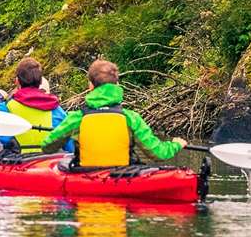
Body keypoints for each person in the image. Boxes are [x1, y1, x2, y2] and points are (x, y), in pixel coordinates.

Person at [37, 58, 185, 168]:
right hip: (121, 176)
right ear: (117, 85)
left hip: (86, 178)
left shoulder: (77, 118)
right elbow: (158, 153)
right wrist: (176, 145)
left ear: (90, 86)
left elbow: (47, 146)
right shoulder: (131, 118)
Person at [0, 57, 68, 156]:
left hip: (16, 161)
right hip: (48, 164)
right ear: (40, 82)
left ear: (17, 81)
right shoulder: (57, 111)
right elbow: (71, 147)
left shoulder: (4, 108)